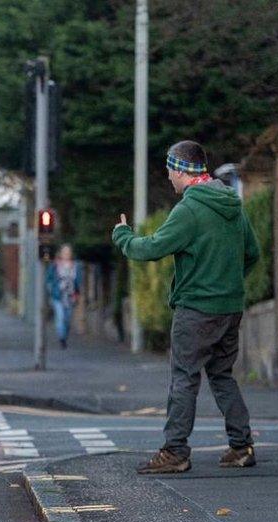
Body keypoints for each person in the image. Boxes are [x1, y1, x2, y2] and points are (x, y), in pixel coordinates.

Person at [112, 140, 258, 474]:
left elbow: (150, 248)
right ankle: (242, 446)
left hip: (196, 309)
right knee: (222, 375)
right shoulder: (232, 204)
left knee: (184, 377)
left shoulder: (190, 209)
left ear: (181, 170)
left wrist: (122, 235)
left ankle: (175, 451)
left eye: (169, 170)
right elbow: (252, 253)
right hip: (230, 306)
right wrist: (228, 282)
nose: (168, 177)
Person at [46, 244, 83, 349]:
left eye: (68, 252)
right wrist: (51, 289)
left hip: (70, 296)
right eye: (64, 252)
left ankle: (64, 336)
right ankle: (61, 338)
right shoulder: (55, 265)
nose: (66, 254)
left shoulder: (76, 266)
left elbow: (78, 281)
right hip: (58, 296)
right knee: (60, 317)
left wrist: (77, 293)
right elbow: (48, 278)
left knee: (67, 320)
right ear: (61, 253)